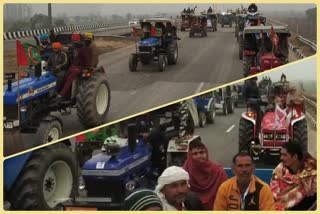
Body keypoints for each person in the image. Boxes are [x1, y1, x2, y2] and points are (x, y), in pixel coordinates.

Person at [183, 139, 228, 210]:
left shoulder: (218, 171)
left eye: (201, 152)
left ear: (206, 153)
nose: (199, 156)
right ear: (190, 156)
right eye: (195, 154)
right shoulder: (185, 172)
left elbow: (226, 192)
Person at [270, 142, 316, 210]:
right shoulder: (278, 173)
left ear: (295, 157)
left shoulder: (310, 178)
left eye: (284, 155)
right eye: (281, 154)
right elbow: (273, 196)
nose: (281, 158)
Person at [55, 33, 90, 101]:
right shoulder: (73, 47)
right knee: (64, 76)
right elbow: (67, 48)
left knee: (70, 79)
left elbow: (87, 60)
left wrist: (86, 69)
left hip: (80, 67)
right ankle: (61, 93)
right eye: (73, 40)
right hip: (73, 66)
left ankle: (62, 94)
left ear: (79, 40)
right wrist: (59, 47)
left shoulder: (83, 49)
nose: (74, 42)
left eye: (75, 40)